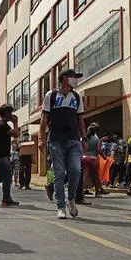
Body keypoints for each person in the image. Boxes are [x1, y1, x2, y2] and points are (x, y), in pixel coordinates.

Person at [38, 68, 86, 219]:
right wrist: (40, 138)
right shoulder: (51, 95)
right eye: (74, 77)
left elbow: (80, 119)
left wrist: (83, 138)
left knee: (75, 170)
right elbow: (44, 119)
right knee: (59, 174)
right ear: (65, 78)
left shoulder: (77, 97)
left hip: (73, 140)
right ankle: (60, 207)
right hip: (56, 141)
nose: (76, 80)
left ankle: (70, 199)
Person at [83, 123, 107, 197]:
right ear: (95, 131)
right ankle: (97, 192)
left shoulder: (83, 138)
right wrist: (104, 157)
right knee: (95, 176)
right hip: (93, 159)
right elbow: (99, 150)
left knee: (84, 175)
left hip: (84, 158)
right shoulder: (97, 139)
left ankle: (80, 192)